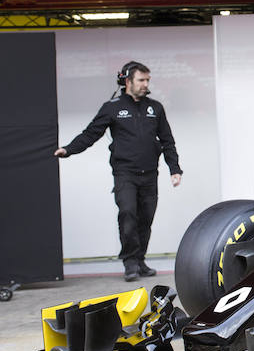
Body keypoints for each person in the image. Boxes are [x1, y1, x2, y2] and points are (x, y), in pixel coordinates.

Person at [55, 61, 182, 282]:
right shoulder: (112, 107)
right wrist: (68, 150)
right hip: (125, 174)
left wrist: (175, 168)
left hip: (150, 174)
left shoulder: (155, 108)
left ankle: (140, 261)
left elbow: (167, 140)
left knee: (145, 219)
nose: (145, 84)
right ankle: (130, 263)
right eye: (141, 80)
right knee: (128, 215)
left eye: (147, 80)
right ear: (127, 81)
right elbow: (90, 134)